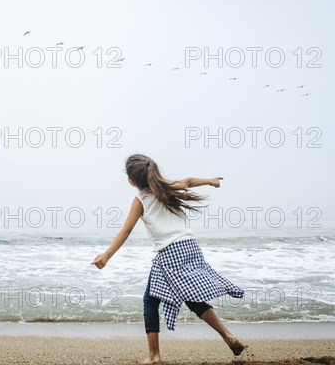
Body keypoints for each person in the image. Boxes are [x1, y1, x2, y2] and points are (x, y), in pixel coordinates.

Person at [91, 154, 246, 364]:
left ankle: (154, 356)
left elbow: (126, 230)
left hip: (169, 253)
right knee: (192, 298)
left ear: (131, 181)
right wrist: (210, 181)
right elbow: (190, 181)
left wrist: (107, 255)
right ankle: (228, 336)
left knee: (150, 301)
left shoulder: (140, 200)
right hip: (190, 247)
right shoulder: (167, 187)